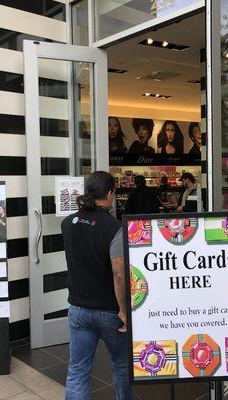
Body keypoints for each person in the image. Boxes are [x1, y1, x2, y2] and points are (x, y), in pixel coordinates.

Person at [61, 171, 133, 400]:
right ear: (110, 194)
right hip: (110, 311)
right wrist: (123, 311)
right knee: (121, 366)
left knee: (78, 371)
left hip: (78, 309)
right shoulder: (115, 227)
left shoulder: (68, 223)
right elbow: (119, 273)